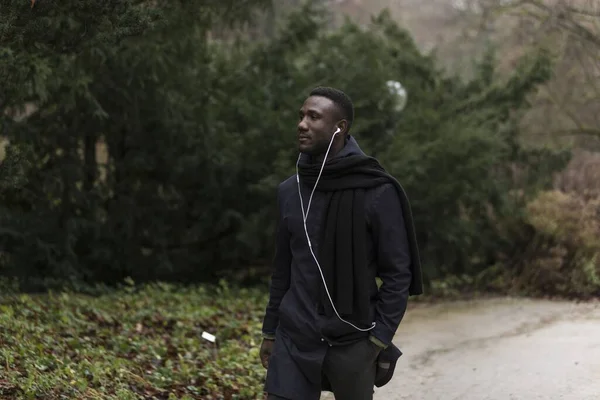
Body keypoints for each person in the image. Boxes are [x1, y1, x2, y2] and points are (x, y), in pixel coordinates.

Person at [260, 86, 423, 400]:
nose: (302, 124)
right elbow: (283, 268)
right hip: (294, 338)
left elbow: (397, 273)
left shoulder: (376, 191)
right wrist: (270, 331)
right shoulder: (289, 191)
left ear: (340, 127)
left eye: (314, 117)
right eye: (301, 116)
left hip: (352, 342)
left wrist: (377, 340)